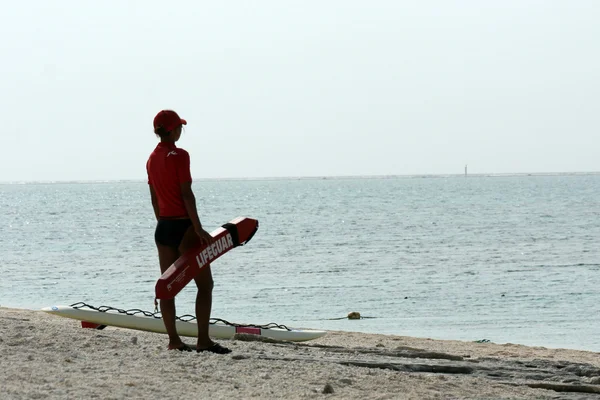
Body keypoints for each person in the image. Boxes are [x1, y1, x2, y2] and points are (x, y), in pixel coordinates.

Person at [146, 109, 231, 354]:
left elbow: (154, 199)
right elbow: (187, 194)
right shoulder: (180, 155)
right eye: (179, 127)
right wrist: (197, 227)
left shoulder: (151, 159)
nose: (181, 130)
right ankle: (203, 340)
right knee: (205, 286)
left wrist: (163, 223)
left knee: (168, 287)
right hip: (184, 228)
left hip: (163, 228)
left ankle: (174, 340)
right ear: (172, 130)